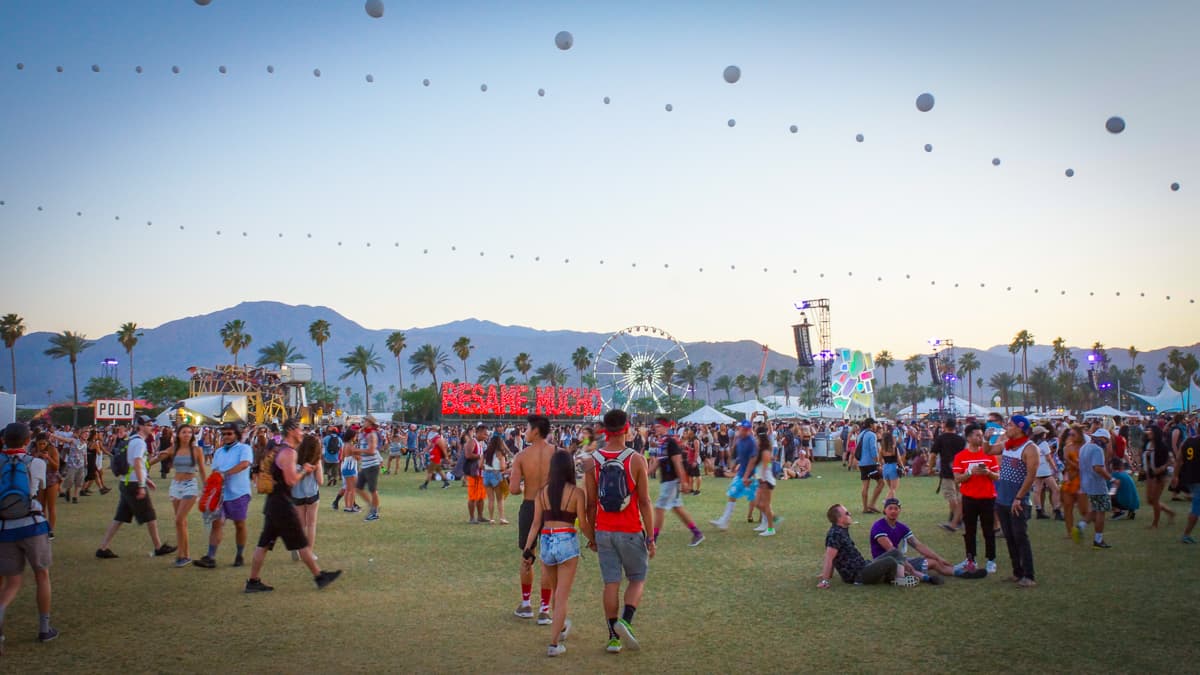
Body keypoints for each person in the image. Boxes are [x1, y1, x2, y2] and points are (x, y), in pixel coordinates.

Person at [583, 409, 654, 654]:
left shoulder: (593, 461)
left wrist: (591, 535)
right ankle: (626, 620)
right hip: (631, 529)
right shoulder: (636, 460)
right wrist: (651, 536)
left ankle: (613, 637)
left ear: (605, 430)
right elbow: (644, 501)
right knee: (637, 578)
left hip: (604, 529)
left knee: (610, 583)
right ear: (626, 429)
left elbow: (591, 503)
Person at [244, 419, 342, 593]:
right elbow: (291, 480)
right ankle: (319, 577)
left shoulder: (282, 449)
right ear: (291, 431)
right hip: (282, 504)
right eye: (300, 429)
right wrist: (304, 470)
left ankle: (253, 580)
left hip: (274, 503)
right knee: (301, 542)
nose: (302, 433)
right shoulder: (289, 453)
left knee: (264, 543)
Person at [522, 450, 593, 657]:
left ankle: (560, 629)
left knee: (555, 592)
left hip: (546, 540)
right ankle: (554, 644)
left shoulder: (542, 493)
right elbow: (584, 524)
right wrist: (594, 540)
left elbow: (536, 524)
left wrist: (527, 551)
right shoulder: (576, 492)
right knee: (562, 596)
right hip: (566, 540)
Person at [0, 422, 58, 649]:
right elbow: (39, 488)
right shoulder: (36, 463)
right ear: (28, 441)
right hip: (33, 525)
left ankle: (2, 610)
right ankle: (45, 628)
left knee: (11, 581)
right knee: (41, 574)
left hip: (5, 527)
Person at [95, 416, 176, 560]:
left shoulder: (132, 440)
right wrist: (141, 485)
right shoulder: (139, 443)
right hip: (133, 484)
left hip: (126, 482)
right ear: (140, 426)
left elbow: (135, 464)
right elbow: (138, 463)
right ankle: (158, 547)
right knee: (150, 515)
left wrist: (145, 479)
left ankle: (103, 547)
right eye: (149, 424)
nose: (151, 427)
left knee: (120, 517)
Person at [508, 415, 556, 624]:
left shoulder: (521, 456)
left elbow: (513, 490)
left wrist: (524, 485)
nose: (524, 432)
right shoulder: (557, 454)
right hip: (552, 509)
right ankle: (545, 609)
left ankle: (526, 604)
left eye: (527, 428)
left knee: (528, 555)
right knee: (547, 559)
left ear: (535, 430)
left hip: (530, 506)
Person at [984, 416, 1039, 588]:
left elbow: (1031, 477)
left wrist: (1019, 497)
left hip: (1017, 501)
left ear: (1020, 428)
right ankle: (1017, 572)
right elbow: (988, 451)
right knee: (1009, 537)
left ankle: (1029, 575)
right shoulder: (1007, 445)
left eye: (1010, 425)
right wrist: (986, 438)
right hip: (1003, 499)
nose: (1007, 427)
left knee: (1020, 537)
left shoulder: (1030, 449)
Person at [817, 503, 923, 588]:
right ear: (839, 519)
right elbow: (829, 557)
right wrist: (825, 580)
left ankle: (898, 577)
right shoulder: (835, 534)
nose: (850, 514)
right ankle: (899, 579)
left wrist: (829, 575)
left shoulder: (842, 530)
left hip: (863, 566)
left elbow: (834, 556)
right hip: (857, 576)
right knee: (890, 560)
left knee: (895, 552)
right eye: (847, 513)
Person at [193, 422, 252, 569]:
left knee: (239, 524)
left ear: (236, 435)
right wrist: (209, 488)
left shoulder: (244, 448)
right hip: (220, 494)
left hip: (239, 492)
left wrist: (225, 474)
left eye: (229, 433)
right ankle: (210, 557)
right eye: (224, 434)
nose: (226, 436)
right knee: (217, 523)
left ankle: (239, 555)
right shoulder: (219, 452)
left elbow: (245, 464)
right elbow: (215, 471)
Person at [649, 418, 704, 546]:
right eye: (655, 426)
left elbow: (677, 462)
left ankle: (652, 539)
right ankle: (697, 533)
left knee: (659, 508)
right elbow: (657, 461)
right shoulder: (662, 442)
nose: (655, 429)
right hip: (667, 480)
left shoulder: (671, 442)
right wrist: (644, 474)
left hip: (671, 480)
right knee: (677, 508)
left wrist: (683, 481)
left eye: (657, 426)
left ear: (665, 427)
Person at [952, 423, 999, 575]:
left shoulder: (989, 454)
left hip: (988, 498)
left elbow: (997, 476)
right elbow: (957, 479)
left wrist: (987, 473)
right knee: (970, 530)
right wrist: (970, 473)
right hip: (969, 498)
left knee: (988, 530)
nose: (980, 438)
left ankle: (991, 559)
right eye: (977, 435)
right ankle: (970, 558)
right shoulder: (960, 456)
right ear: (968, 438)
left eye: (981, 435)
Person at [869, 498, 955, 580]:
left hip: (899, 559)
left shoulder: (902, 527)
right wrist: (905, 563)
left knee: (935, 563)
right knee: (903, 568)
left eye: (896, 508)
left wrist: (938, 558)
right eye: (890, 508)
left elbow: (918, 545)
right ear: (884, 510)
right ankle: (923, 577)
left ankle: (959, 571)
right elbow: (891, 549)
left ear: (900, 510)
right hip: (882, 562)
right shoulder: (878, 526)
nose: (893, 511)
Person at [166, 425, 207, 568]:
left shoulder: (197, 450)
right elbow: (159, 457)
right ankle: (185, 554)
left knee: (179, 519)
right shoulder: (174, 449)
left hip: (190, 485)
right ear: (178, 434)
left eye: (189, 432)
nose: (187, 434)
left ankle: (182, 555)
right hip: (175, 485)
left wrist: (207, 488)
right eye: (184, 432)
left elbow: (202, 470)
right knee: (180, 522)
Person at [709, 420, 759, 530]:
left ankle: (771, 519)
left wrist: (746, 476)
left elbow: (752, 460)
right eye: (740, 428)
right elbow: (739, 455)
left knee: (758, 501)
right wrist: (734, 465)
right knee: (733, 495)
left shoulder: (751, 442)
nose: (740, 430)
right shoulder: (740, 439)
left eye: (743, 428)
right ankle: (724, 521)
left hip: (750, 475)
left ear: (748, 430)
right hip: (742, 473)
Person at [1077, 429, 1114, 549]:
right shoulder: (1097, 450)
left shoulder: (1084, 448)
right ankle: (1098, 540)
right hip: (1097, 485)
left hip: (1086, 484)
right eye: (1106, 440)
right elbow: (1098, 468)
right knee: (1101, 512)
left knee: (1095, 509)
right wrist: (1111, 479)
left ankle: (1080, 526)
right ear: (1101, 438)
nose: (1106, 443)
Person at [291, 434, 323, 560]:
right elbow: (320, 481)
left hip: (297, 494)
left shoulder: (295, 458)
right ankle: (308, 552)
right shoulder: (316, 461)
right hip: (312, 494)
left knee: (300, 524)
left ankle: (297, 548)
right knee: (311, 524)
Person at [931, 418, 965, 532]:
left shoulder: (941, 439)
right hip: (960, 471)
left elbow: (933, 455)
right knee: (959, 496)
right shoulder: (961, 439)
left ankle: (956, 521)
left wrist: (930, 467)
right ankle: (956, 518)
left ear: (944, 425)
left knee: (951, 497)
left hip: (947, 471)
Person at [1059, 425, 1091, 541]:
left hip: (1082, 480)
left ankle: (1081, 526)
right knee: (1067, 506)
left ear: (1079, 435)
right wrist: (1069, 464)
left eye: (1073, 434)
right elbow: (1067, 465)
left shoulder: (1085, 448)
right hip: (1069, 480)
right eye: (1069, 434)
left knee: (1084, 510)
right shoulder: (1067, 448)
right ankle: (1069, 532)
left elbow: (1084, 467)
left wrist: (1069, 462)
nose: (1071, 437)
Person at [1142, 425, 1176, 528]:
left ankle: (1155, 524)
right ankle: (1169, 512)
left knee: (1155, 500)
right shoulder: (1147, 444)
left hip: (1160, 476)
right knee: (1150, 500)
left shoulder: (1162, 446)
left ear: (1156, 433)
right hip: (1149, 474)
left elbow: (1171, 460)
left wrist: (1161, 468)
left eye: (1151, 431)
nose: (1148, 433)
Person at [1172, 428, 1200, 543]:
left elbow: (1179, 460)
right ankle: (1186, 535)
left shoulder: (1187, 441)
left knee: (1196, 504)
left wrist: (1175, 476)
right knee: (1196, 507)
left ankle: (1186, 534)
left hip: (1189, 477)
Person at [355, 416, 384, 522]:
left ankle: (374, 513)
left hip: (372, 465)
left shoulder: (372, 434)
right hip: (365, 465)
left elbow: (371, 451)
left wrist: (356, 450)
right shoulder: (365, 434)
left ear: (370, 423)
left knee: (373, 490)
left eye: (365, 421)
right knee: (358, 488)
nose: (363, 422)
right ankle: (373, 506)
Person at [1031, 426, 1063, 521]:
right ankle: (1057, 510)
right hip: (1045, 469)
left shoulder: (1032, 444)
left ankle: (1039, 510)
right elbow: (1049, 458)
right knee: (1055, 489)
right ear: (1042, 434)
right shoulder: (1044, 444)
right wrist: (1055, 469)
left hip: (1036, 469)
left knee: (1037, 491)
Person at [752, 429, 779, 536]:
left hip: (766, 481)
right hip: (761, 480)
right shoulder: (760, 452)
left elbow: (766, 467)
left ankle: (771, 528)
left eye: (758, 439)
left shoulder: (766, 452)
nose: (756, 441)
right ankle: (773, 518)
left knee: (766, 505)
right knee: (757, 503)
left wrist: (762, 479)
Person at [857, 419, 884, 514]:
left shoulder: (860, 434)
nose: (876, 425)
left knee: (865, 486)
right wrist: (878, 463)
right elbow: (873, 449)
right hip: (871, 463)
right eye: (875, 423)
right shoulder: (872, 435)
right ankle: (872, 504)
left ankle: (865, 508)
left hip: (862, 463)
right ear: (871, 424)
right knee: (881, 483)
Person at [482, 435, 509, 524]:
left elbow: (480, 465)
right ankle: (501, 518)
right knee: (500, 499)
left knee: (490, 499)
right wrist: (506, 465)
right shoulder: (500, 453)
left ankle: (491, 519)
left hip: (486, 474)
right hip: (496, 474)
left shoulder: (486, 452)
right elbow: (502, 467)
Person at [464, 425, 487, 524]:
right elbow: (468, 455)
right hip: (473, 473)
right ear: (479, 432)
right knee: (473, 496)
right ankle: (472, 518)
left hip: (481, 473)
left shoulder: (480, 443)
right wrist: (481, 456)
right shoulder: (472, 442)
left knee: (481, 496)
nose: (486, 436)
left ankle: (480, 516)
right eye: (485, 434)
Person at [332, 428, 359, 512]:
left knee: (348, 489)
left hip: (345, 466)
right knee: (352, 489)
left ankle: (348, 506)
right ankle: (350, 507)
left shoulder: (345, 445)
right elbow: (357, 457)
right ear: (352, 437)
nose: (356, 437)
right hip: (350, 467)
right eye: (355, 435)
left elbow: (342, 457)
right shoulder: (351, 446)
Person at [879, 429, 904, 502]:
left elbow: (879, 460)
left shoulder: (881, 449)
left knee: (890, 488)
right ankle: (886, 501)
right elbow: (899, 460)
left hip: (885, 468)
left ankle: (892, 502)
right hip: (893, 467)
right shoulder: (894, 449)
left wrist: (882, 465)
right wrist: (903, 467)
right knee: (893, 488)